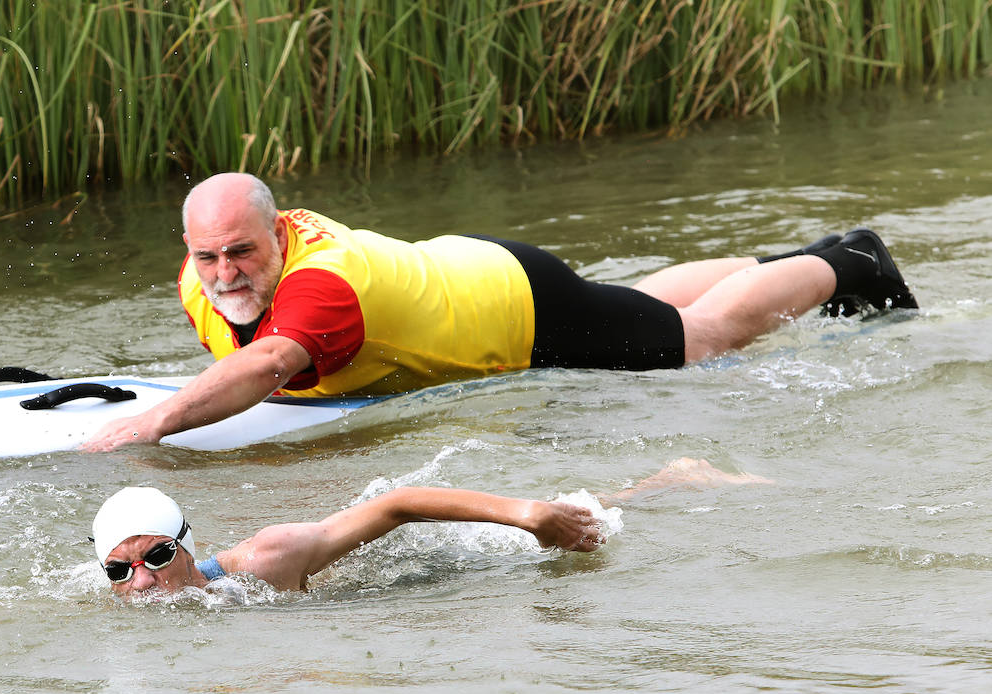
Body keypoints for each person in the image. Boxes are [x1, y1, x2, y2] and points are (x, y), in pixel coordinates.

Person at [83, 173, 917, 451]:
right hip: (466, 274)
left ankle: (846, 263)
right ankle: (758, 267)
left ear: (277, 231)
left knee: (698, 342)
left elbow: (268, 365)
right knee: (625, 310)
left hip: (516, 307)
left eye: (242, 252)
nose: (225, 272)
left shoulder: (321, 284)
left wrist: (153, 425)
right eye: (208, 256)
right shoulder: (202, 275)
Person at [91, 458, 767, 597]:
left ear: (187, 543)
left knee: (583, 518)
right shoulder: (110, 593)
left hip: (425, 555)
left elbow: (401, 506)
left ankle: (670, 480)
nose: (145, 580)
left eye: (156, 555)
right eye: (123, 570)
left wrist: (530, 518)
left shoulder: (267, 559)